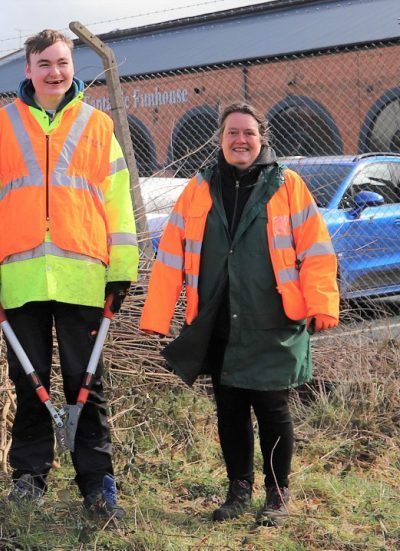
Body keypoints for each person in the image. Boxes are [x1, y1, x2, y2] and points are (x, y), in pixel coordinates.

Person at [0, 29, 138, 520]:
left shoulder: (99, 126)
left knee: (88, 383)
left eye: (62, 63)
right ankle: (29, 477)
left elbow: (118, 203)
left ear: (72, 65)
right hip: (19, 280)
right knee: (29, 381)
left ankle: (97, 481)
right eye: (44, 64)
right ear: (28, 69)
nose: (54, 72)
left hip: (84, 277)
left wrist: (121, 270)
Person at [139, 102, 339, 526]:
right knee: (228, 408)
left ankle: (277, 494)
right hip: (218, 319)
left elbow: (317, 251)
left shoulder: (288, 185)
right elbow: (171, 253)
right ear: (220, 139)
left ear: (261, 137)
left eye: (248, 132)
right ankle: (238, 492)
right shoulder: (199, 187)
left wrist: (322, 304)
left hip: (273, 319)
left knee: (272, 408)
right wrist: (157, 315)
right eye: (232, 133)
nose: (240, 140)